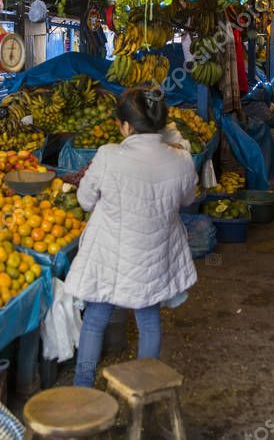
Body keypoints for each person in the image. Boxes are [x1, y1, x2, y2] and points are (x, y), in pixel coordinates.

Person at [66, 87, 198, 387]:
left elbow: (86, 200)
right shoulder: (181, 160)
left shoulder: (109, 156)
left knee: (95, 320)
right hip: (153, 256)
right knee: (148, 321)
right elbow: (187, 199)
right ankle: (144, 390)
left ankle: (82, 388)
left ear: (126, 126)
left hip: (110, 256)